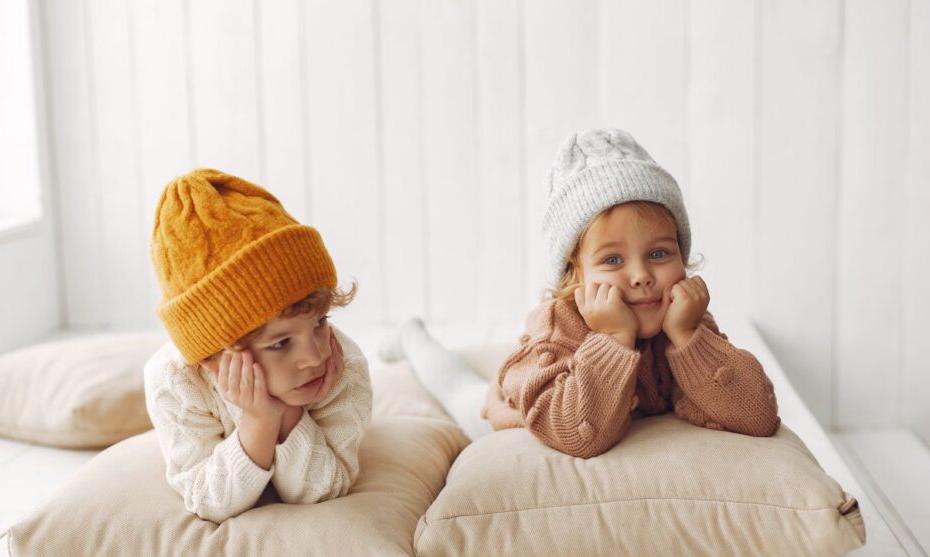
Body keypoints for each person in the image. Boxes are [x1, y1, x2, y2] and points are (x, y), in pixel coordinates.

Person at [381, 129, 779, 457]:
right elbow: (577, 435)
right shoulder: (560, 320)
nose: (641, 276)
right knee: (457, 388)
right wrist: (615, 340)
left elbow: (758, 417)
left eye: (659, 253)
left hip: (568, 368)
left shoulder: (681, 317)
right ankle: (412, 337)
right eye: (612, 261)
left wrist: (690, 339)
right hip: (502, 412)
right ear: (575, 275)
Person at [144, 169, 372, 523]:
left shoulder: (344, 367)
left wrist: (287, 413)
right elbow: (208, 500)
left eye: (319, 322)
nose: (315, 355)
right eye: (280, 343)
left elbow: (325, 488)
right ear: (213, 359)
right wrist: (260, 420)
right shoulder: (175, 381)